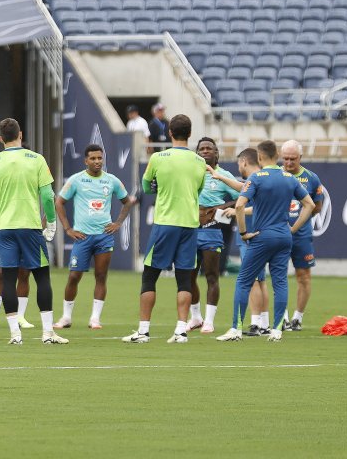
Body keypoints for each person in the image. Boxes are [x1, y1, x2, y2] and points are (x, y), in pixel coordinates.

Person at [216, 142, 314, 342]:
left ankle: (236, 329)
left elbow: (241, 205)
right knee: (280, 282)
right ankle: (277, 330)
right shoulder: (289, 178)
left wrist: (244, 232)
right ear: (277, 155)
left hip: (263, 236)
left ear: (259, 158)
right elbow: (309, 204)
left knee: (244, 281)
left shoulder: (256, 177)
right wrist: (293, 229)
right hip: (284, 236)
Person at [122, 114, 207, 344]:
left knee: (150, 276)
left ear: (169, 132)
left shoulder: (159, 158)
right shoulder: (200, 162)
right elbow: (198, 190)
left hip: (166, 223)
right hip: (189, 224)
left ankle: (143, 331)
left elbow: (148, 187)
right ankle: (181, 330)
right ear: (189, 134)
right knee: (184, 279)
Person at [0, 117, 67, 345]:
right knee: (42, 277)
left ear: (1, 139)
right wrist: (51, 223)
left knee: (8, 278)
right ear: (21, 135)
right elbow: (48, 196)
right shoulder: (36, 159)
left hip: (5, 229)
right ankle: (48, 333)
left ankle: (15, 335)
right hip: (30, 227)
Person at [54, 144, 136, 330]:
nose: (97, 161)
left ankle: (95, 319)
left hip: (103, 236)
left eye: (100, 158)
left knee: (101, 276)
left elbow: (127, 201)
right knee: (74, 276)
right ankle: (66, 317)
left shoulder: (112, 181)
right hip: (82, 236)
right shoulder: (76, 180)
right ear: (86, 161)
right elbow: (59, 202)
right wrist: (67, 228)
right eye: (93, 158)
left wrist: (118, 223)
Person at [192, 137, 240, 334]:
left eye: (208, 149)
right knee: (188, 275)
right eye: (201, 149)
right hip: (190, 229)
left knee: (212, 275)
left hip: (212, 229)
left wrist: (222, 206)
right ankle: (195, 317)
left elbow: (242, 197)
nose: (204, 151)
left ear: (216, 153)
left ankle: (209, 321)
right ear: (196, 153)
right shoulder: (190, 173)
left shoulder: (223, 175)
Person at [279, 139, 324, 332]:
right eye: (285, 159)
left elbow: (317, 206)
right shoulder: (276, 175)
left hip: (301, 236)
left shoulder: (311, 178)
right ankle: (283, 317)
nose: (288, 163)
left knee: (303, 276)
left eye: (293, 159)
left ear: (301, 158)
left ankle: (298, 317)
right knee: (278, 275)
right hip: (278, 234)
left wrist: (300, 220)